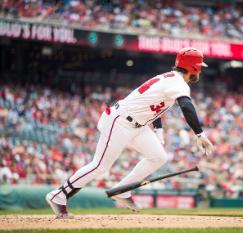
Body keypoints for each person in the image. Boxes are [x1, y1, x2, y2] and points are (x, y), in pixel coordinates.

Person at [45, 47, 214, 218]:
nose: (200, 70)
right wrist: (200, 134)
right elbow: (186, 106)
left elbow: (155, 104)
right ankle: (57, 196)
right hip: (119, 121)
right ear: (193, 67)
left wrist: (159, 130)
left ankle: (122, 191)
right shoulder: (178, 83)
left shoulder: (169, 78)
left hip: (136, 125)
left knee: (158, 157)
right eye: (199, 67)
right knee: (100, 166)